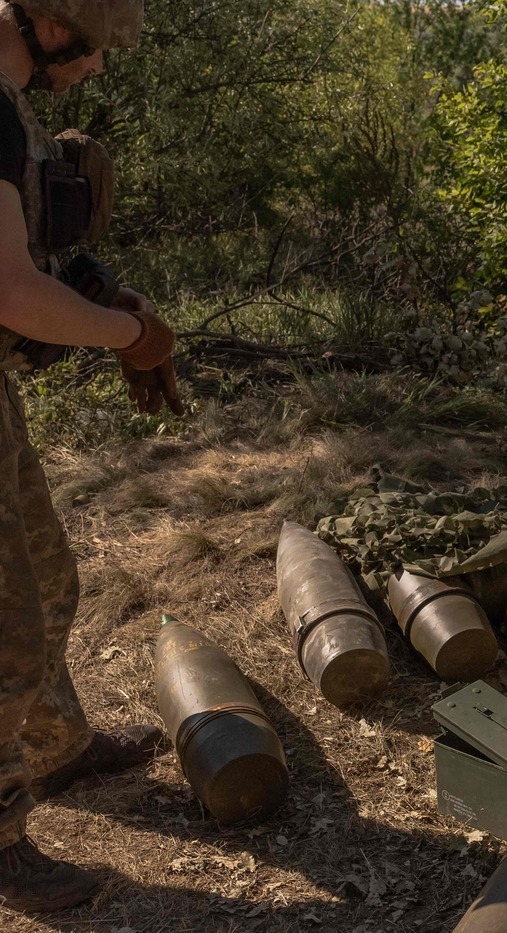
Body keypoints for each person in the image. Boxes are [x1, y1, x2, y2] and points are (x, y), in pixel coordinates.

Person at [0, 0, 181, 912]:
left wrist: (103, 296)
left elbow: (27, 261)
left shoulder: (10, 101)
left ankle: (56, 748)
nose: (99, 69)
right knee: (8, 628)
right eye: (96, 49)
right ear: (51, 21)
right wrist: (124, 334)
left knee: (47, 575)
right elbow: (12, 293)